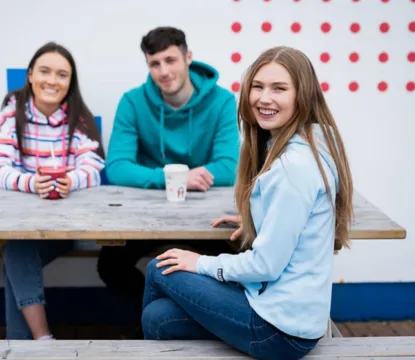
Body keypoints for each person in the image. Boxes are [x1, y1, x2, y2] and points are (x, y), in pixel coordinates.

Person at [140, 46, 355, 360]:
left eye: (279, 88)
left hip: (279, 331)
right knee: (157, 316)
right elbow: (298, 218)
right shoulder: (313, 141)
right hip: (289, 315)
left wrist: (199, 263)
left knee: (159, 269)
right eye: (258, 86)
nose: (263, 98)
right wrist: (264, 219)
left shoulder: (293, 167)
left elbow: (265, 265)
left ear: (303, 95)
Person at [96, 27, 240, 314]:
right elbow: (117, 167)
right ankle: (159, 316)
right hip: (148, 214)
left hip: (206, 217)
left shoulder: (222, 100)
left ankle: (195, 318)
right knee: (109, 265)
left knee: (238, 258)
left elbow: (229, 167)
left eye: (170, 60)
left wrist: (181, 179)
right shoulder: (133, 101)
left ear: (188, 57)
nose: (163, 71)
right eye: (154, 63)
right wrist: (175, 178)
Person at [0, 42, 105, 340]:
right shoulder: (11, 114)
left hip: (67, 230)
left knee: (15, 253)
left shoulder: (78, 118)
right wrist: (30, 183)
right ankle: (42, 342)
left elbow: (92, 168)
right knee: (16, 247)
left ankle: (31, 345)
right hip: (22, 226)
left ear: (70, 82)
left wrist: (71, 180)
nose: (53, 80)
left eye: (62, 74)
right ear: (29, 75)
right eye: (45, 71)